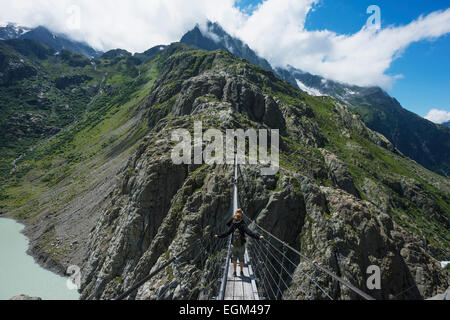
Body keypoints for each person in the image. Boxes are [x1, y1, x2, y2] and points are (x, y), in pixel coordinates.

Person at [214, 209, 264, 277]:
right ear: (241, 216)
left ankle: (234, 272)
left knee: (234, 258)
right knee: (241, 259)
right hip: (241, 245)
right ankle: (241, 271)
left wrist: (219, 236)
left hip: (233, 245)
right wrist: (258, 237)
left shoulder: (233, 224)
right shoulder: (243, 224)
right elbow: (249, 232)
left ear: (235, 215)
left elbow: (227, 232)